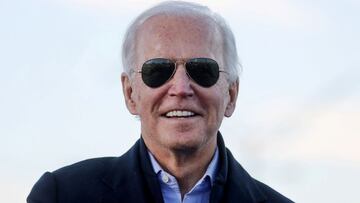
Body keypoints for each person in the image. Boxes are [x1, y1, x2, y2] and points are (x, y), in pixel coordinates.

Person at [27, 1, 293, 203]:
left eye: (202, 69)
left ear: (231, 96)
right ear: (130, 93)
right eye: (158, 70)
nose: (180, 88)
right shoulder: (62, 196)